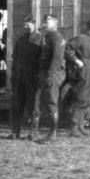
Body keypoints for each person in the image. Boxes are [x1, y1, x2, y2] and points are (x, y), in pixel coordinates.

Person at [64, 20, 90, 137]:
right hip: (83, 70)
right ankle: (74, 127)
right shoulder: (81, 38)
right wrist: (76, 60)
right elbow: (67, 49)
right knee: (80, 97)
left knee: (87, 99)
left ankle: (81, 125)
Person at [8, 15, 42, 140]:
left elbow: (42, 60)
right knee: (16, 104)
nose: (25, 26)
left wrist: (39, 76)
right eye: (24, 24)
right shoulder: (21, 40)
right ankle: (15, 131)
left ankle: (33, 132)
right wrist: (13, 76)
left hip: (32, 77)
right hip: (19, 78)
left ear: (34, 24)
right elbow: (15, 58)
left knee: (33, 106)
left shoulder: (40, 39)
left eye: (27, 24)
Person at [34, 14, 67, 143]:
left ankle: (53, 133)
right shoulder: (47, 36)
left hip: (52, 73)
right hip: (44, 73)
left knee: (52, 102)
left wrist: (51, 74)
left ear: (55, 23)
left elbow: (57, 57)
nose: (45, 23)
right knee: (42, 101)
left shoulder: (56, 37)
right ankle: (39, 131)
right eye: (44, 21)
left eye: (48, 21)